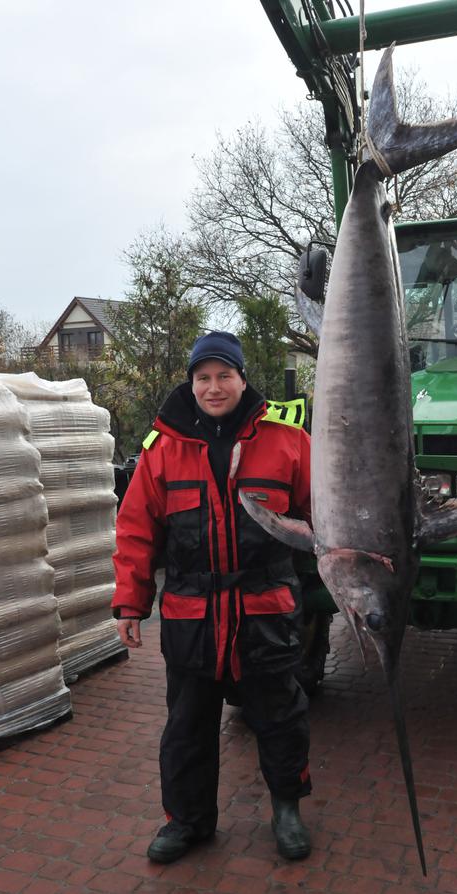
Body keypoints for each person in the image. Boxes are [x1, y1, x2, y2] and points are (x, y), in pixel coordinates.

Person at [112, 330, 312, 864]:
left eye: (224, 375)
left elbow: (324, 518)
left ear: (243, 379)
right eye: (204, 377)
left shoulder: (288, 440)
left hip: (265, 609)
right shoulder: (162, 448)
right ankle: (188, 820)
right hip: (191, 613)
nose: (214, 386)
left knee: (280, 717)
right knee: (187, 726)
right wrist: (131, 602)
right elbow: (135, 530)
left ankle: (287, 808)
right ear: (191, 383)